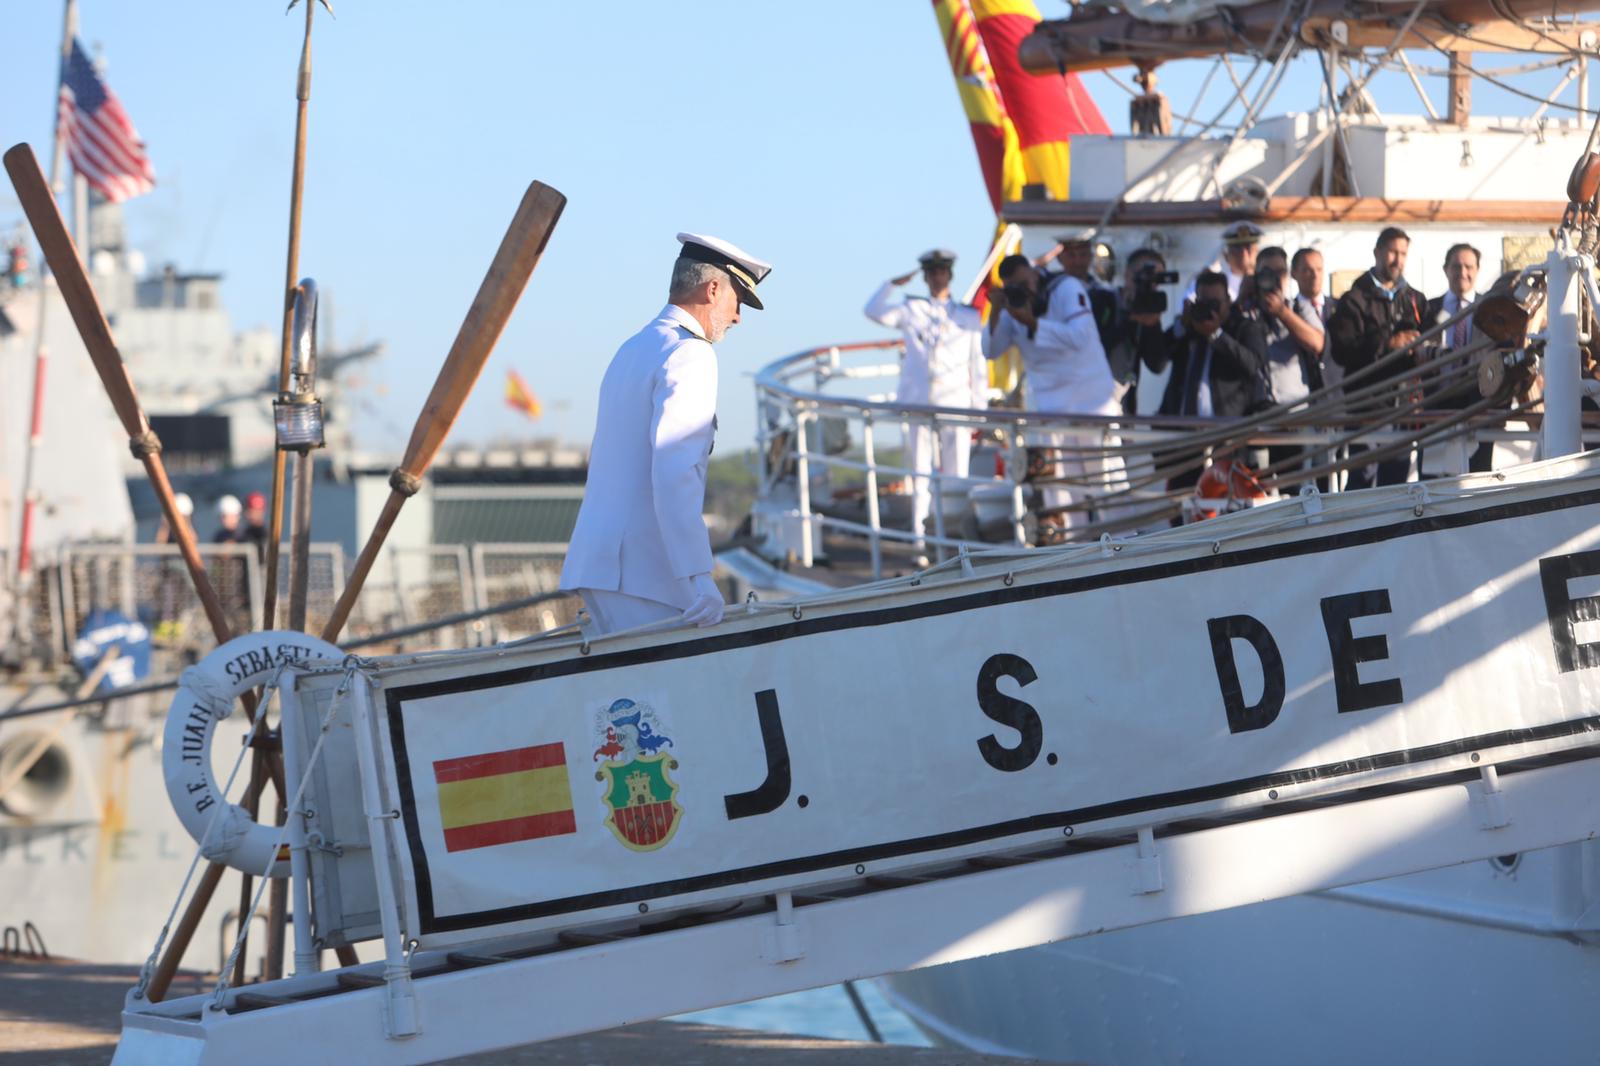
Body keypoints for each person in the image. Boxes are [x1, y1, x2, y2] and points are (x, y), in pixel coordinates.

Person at [560, 233, 771, 636]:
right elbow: (676, 472)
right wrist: (698, 576)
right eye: (739, 300)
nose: (738, 317)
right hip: (648, 576)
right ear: (713, 289)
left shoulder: (635, 347)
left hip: (603, 567)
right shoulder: (690, 353)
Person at [984, 254, 1125, 534]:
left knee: (1107, 485)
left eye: (1024, 283)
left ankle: (1125, 544)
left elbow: (1079, 336)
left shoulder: (1066, 289)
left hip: (1092, 405)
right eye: (1014, 287)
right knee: (1061, 493)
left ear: (1035, 274)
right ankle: (1072, 549)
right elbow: (990, 350)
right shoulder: (1012, 307)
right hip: (1052, 412)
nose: (1023, 291)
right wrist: (997, 310)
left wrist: (1033, 323)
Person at [864, 249, 985, 558]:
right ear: (926, 277)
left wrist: (978, 410)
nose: (936, 278)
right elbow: (873, 311)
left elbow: (977, 365)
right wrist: (891, 285)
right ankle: (921, 540)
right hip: (919, 402)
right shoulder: (911, 309)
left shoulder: (968, 317)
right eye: (932, 273)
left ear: (949, 275)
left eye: (941, 272)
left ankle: (955, 539)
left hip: (955, 404)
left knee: (956, 475)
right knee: (919, 473)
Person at [1147, 269, 1269, 488]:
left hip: (1227, 440)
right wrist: (1181, 326)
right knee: (1181, 504)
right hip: (1184, 442)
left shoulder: (1243, 328)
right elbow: (1156, 361)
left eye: (1215, 303)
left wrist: (1216, 335)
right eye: (1203, 303)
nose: (1209, 310)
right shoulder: (1187, 329)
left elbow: (1253, 365)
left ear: (1228, 301)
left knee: (1225, 504)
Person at [1328, 226, 1429, 488]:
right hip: (1367, 408)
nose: (1398, 260)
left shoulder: (1415, 300)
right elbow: (1342, 351)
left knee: (1396, 484)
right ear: (1377, 252)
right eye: (1392, 252)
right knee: (1363, 479)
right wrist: (1387, 344)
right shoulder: (1354, 300)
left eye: (1403, 254)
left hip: (1405, 408)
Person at [1239, 251, 1324, 479]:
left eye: (1280, 272)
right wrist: (1241, 298)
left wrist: (1282, 312)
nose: (1275, 278)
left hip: (1295, 415)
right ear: (1256, 275)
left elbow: (1317, 342)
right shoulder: (1246, 312)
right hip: (1256, 419)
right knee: (1257, 489)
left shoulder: (1298, 308)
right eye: (1268, 272)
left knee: (1298, 486)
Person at [1422, 243, 1490, 475]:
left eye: (1469, 267)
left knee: (1478, 478)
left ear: (1477, 270)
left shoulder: (1491, 309)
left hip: (1478, 408)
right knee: (1432, 479)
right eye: (1456, 266)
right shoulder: (1429, 309)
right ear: (1445, 270)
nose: (1463, 272)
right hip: (1436, 407)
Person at [237, 491, 268, 561]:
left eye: (251, 510)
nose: (247, 513)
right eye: (247, 509)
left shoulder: (264, 534)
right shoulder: (244, 533)